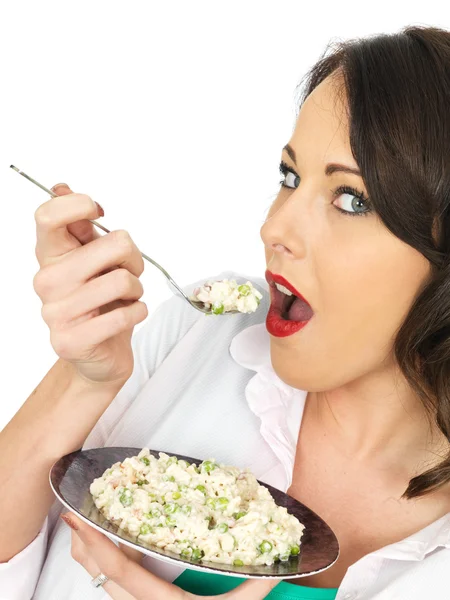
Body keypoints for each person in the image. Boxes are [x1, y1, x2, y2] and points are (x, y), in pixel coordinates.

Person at [1, 23, 450, 600]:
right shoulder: (198, 334)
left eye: (350, 199)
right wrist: (83, 381)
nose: (274, 228)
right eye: (290, 177)